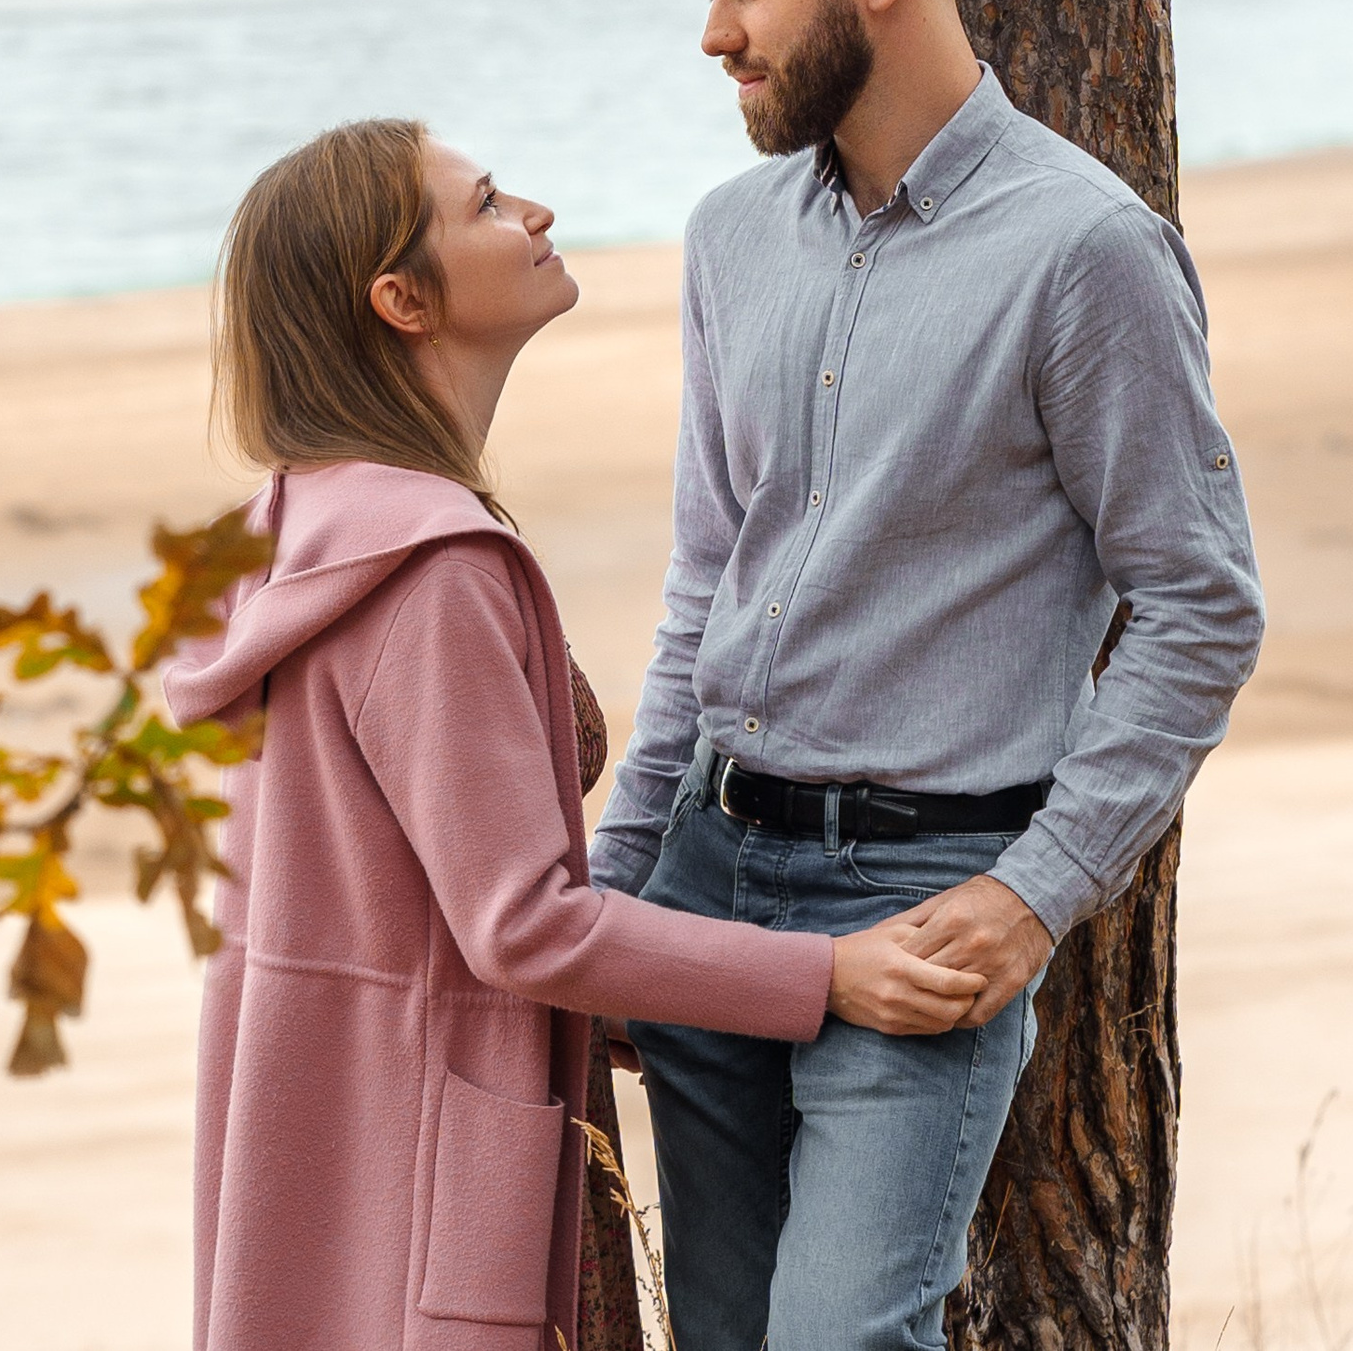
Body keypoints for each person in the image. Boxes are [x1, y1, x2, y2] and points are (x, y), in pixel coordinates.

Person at [589, 0, 1266, 1350]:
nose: (714, 36)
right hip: (712, 877)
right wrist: (621, 883)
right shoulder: (730, 239)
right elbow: (708, 580)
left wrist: (1037, 892)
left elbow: (1197, 604)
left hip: (927, 899)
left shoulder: (1084, 253)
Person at [165, 117, 988, 1351]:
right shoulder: (430, 568)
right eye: (488, 203)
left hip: (308, 1132)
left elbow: (386, 882)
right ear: (401, 298)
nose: (536, 212)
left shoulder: (286, 533)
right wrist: (825, 976)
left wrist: (618, 993)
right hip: (429, 1154)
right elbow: (520, 921)